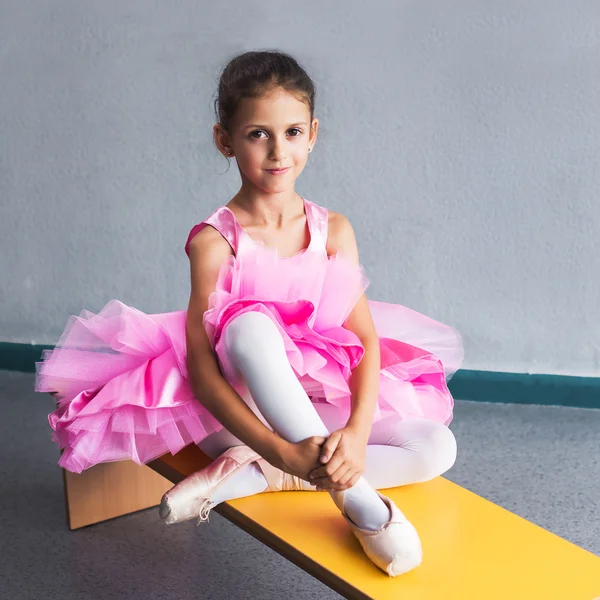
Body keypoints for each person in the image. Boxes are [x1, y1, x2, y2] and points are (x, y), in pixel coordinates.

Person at [35, 50, 463, 577]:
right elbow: (202, 370)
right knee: (250, 323)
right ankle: (362, 506)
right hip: (231, 414)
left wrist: (353, 432)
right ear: (225, 141)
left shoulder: (335, 231)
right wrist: (279, 448)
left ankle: (263, 474)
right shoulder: (216, 241)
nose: (278, 151)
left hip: (304, 407)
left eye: (291, 132)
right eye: (258, 134)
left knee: (436, 445)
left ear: (312, 134)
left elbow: (366, 342)